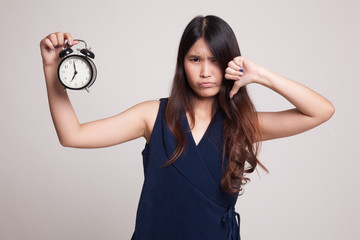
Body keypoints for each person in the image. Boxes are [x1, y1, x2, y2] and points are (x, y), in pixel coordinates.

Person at [40, 15, 334, 240]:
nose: (205, 71)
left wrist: (260, 75)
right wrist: (52, 68)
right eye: (195, 59)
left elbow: (321, 111)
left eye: (215, 61)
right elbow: (72, 135)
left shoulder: (242, 125)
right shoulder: (152, 115)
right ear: (183, 64)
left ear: (232, 64)